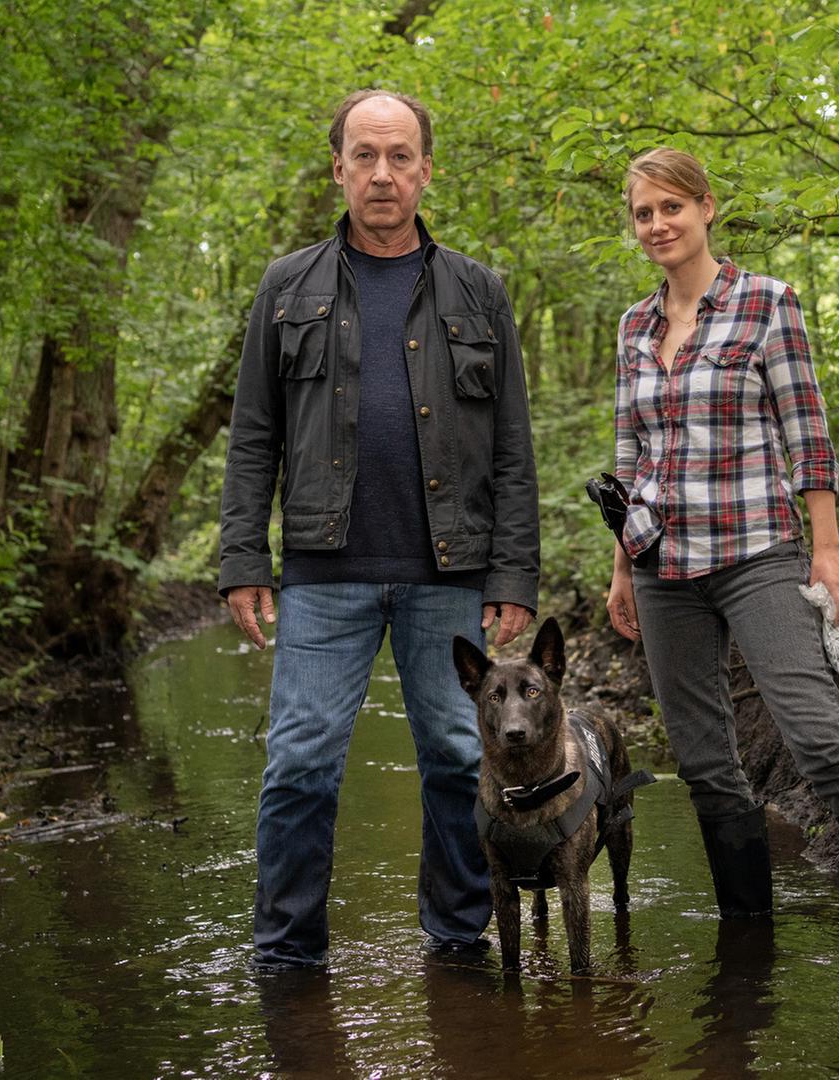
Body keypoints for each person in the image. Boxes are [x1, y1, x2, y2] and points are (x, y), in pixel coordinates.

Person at [603, 147, 839, 974]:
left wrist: (827, 550)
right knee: (703, 762)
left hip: (759, 549)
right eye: (643, 213)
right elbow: (628, 456)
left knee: (820, 740)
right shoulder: (632, 327)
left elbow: (808, 433)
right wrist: (622, 567)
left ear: (706, 208)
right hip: (661, 565)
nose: (657, 225)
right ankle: (748, 948)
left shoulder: (768, 304)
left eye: (671, 208)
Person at [218, 88, 540, 969]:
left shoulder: (479, 290)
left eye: (401, 156)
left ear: (427, 170)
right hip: (325, 572)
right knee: (299, 766)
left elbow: (512, 444)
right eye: (365, 155)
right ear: (339, 169)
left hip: (451, 570)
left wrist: (513, 576)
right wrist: (244, 557)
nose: (384, 174)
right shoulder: (288, 287)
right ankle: (286, 960)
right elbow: (254, 435)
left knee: (452, 759)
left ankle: (459, 944)